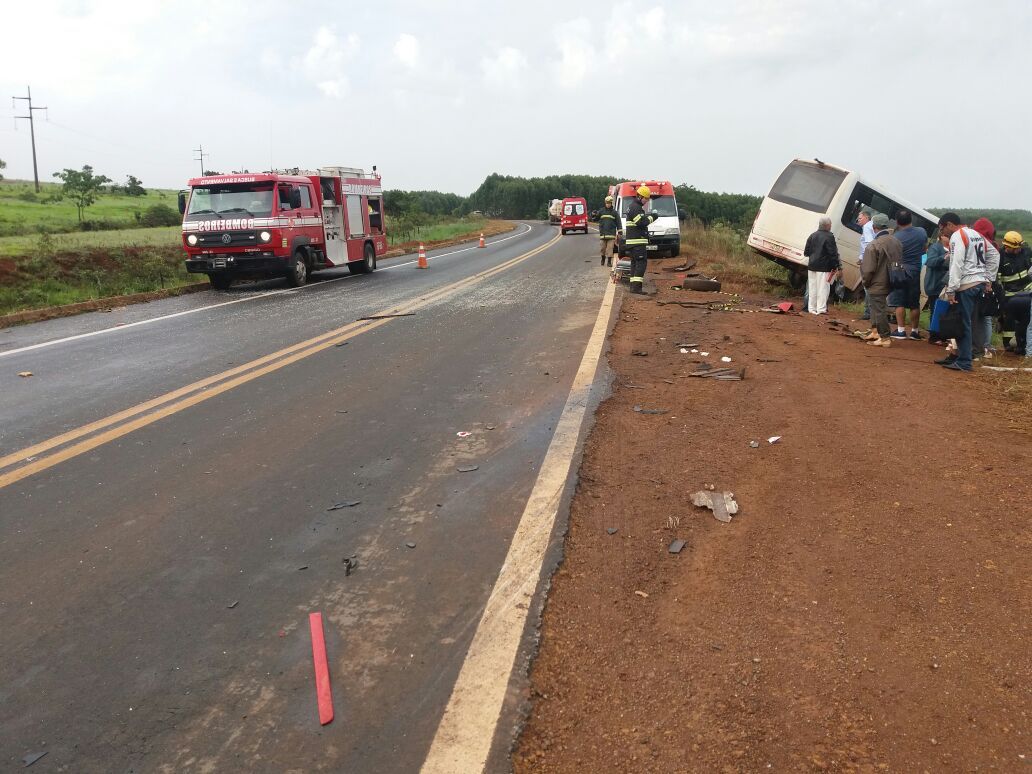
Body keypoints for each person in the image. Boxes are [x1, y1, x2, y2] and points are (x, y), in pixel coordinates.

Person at [935, 213, 1000, 372]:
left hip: (966, 285)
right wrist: (988, 278)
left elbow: (956, 263)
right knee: (971, 322)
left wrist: (951, 289)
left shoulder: (957, 236)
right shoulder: (975, 234)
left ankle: (964, 361)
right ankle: (965, 355)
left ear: (950, 224)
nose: (942, 233)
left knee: (962, 323)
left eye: (943, 228)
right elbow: (994, 254)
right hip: (978, 284)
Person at [860, 213, 899, 348]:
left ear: (874, 226)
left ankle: (885, 337)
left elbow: (868, 269)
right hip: (893, 280)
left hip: (877, 281)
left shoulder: (874, 244)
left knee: (878, 309)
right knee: (876, 306)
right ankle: (875, 331)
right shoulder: (896, 241)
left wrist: (865, 282)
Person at [888, 210, 928, 339]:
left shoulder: (896, 237)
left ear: (897, 222)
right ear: (911, 220)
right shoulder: (922, 232)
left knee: (899, 301)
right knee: (914, 303)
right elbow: (924, 249)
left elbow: (892, 256)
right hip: (915, 270)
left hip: (899, 270)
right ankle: (915, 332)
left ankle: (900, 330)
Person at [970, 218, 1001, 359]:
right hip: (987, 284)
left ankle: (980, 347)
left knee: (977, 317)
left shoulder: (979, 243)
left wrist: (987, 282)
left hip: (979, 284)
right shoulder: (992, 244)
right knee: (985, 317)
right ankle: (985, 345)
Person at [998, 231, 1032, 352]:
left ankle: (1022, 344)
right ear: (1007, 246)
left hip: (1028, 292)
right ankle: (1008, 344)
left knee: (1026, 320)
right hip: (1010, 295)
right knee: (1009, 321)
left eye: (1019, 247)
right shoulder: (1000, 257)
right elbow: (997, 279)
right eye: (1016, 248)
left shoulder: (1026, 252)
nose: (1019, 250)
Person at [624, 185, 660, 294]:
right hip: (637, 243)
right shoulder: (636, 207)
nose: (646, 201)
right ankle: (636, 288)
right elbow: (641, 222)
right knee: (641, 264)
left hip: (634, 243)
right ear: (640, 197)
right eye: (646, 198)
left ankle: (633, 287)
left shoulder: (633, 207)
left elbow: (640, 221)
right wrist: (653, 216)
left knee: (634, 264)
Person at [803, 216, 841, 315]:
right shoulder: (829, 236)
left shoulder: (812, 235)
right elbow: (832, 253)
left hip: (812, 266)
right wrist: (836, 266)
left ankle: (811, 309)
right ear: (827, 225)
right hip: (824, 267)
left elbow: (806, 252)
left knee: (812, 288)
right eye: (831, 224)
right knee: (823, 288)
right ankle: (821, 309)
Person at [924, 233, 951, 344]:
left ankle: (943, 335)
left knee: (945, 310)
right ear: (940, 237)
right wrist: (943, 257)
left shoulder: (953, 248)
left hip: (945, 285)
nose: (948, 238)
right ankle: (934, 336)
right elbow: (930, 262)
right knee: (935, 309)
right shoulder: (935, 248)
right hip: (935, 284)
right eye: (946, 236)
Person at [857, 208, 876, 320]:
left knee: (867, 286)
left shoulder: (867, 227)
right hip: (869, 259)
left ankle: (868, 312)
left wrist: (864, 259)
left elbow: (869, 244)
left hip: (867, 260)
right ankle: (870, 311)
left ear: (866, 217)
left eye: (860, 218)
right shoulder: (871, 226)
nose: (858, 220)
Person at [598, 195, 619, 267]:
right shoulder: (601, 211)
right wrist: (594, 214)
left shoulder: (614, 213)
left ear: (611, 203)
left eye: (609, 203)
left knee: (610, 249)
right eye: (607, 203)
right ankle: (603, 259)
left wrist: (620, 231)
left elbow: (618, 222)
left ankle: (609, 262)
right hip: (603, 234)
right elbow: (595, 218)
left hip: (611, 235)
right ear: (605, 203)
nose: (608, 204)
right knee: (602, 248)